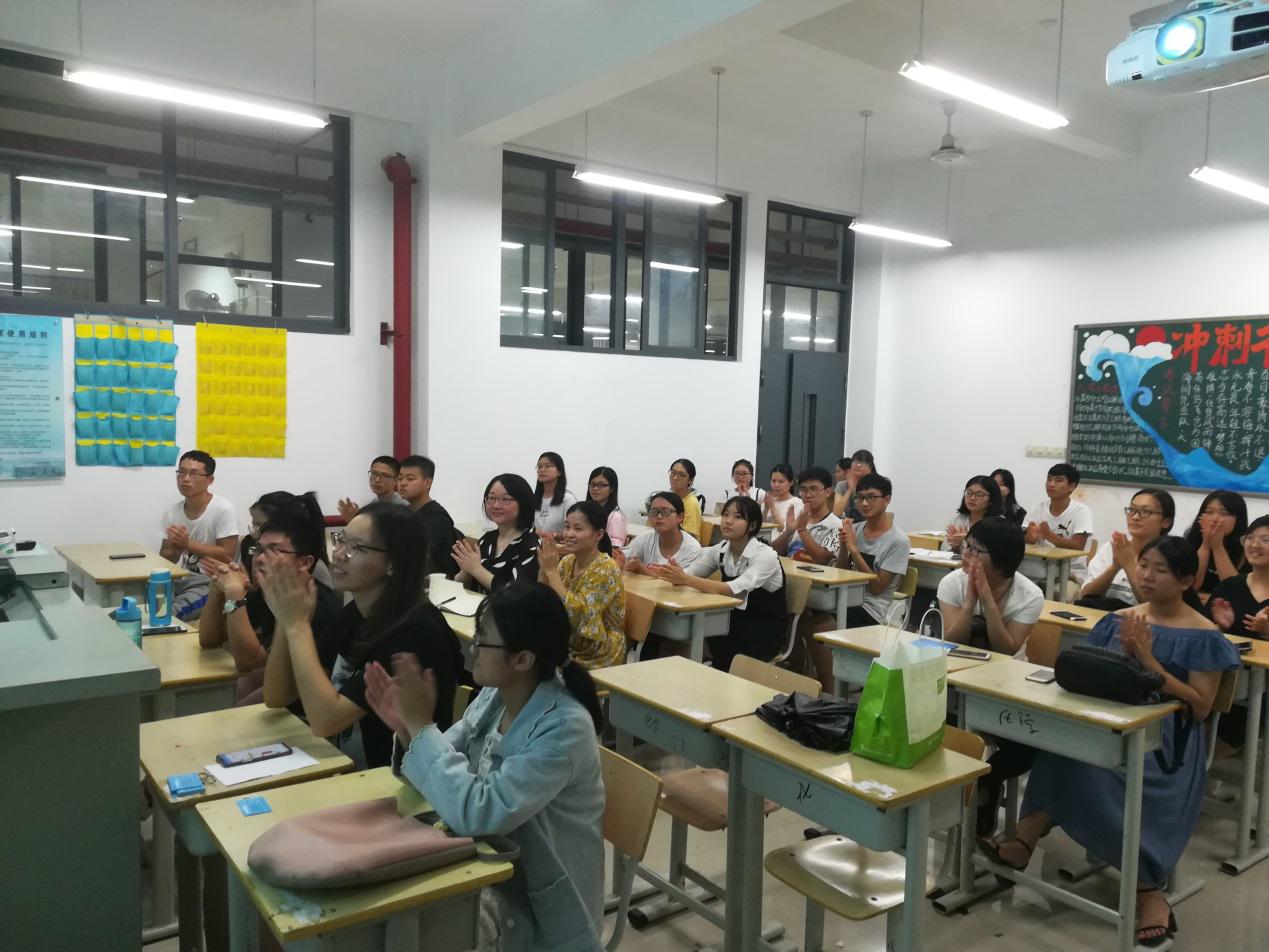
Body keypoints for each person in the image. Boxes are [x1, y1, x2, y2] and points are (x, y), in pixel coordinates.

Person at [980, 536, 1240, 947]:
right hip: (1109, 720)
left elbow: (1202, 707)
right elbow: (1094, 673)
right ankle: (1023, 842)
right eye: (1144, 565)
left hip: (1164, 742)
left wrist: (1148, 661)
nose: (1147, 576)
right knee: (1061, 749)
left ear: (1186, 580)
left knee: (1101, 766)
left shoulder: (1203, 635)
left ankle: (1148, 890)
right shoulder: (1120, 619)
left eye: (1160, 570)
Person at [362, 583, 605, 952]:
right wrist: (410, 731)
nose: (472, 648)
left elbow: (481, 812)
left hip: (539, 906)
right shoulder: (498, 694)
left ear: (522, 659)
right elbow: (448, 758)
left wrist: (422, 728)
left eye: (482, 640)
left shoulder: (564, 728)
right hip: (492, 870)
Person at [260, 503, 463, 769]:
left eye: (356, 547)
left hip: (403, 778)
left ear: (393, 563)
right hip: (352, 767)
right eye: (340, 540)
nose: (339, 554)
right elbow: (277, 696)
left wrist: (297, 625)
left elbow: (326, 720)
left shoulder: (415, 632)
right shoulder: (355, 613)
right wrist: (284, 618)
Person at [199, 508, 342, 705]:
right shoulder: (266, 591)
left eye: (274, 551)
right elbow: (210, 640)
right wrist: (217, 590)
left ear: (305, 562)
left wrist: (235, 596)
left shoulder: (317, 606)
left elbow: (248, 662)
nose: (259, 559)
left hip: (304, 709)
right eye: (258, 550)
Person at [799, 473, 909, 693]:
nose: (864, 503)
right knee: (797, 614)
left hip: (872, 611)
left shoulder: (898, 541)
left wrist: (854, 550)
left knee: (816, 626)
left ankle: (831, 691)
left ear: (886, 500)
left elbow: (877, 588)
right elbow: (841, 573)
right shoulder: (856, 529)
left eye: (871, 497)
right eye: (860, 498)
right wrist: (843, 548)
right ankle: (803, 679)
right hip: (846, 599)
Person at [651, 496, 786, 672]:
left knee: (694, 638)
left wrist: (686, 579)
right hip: (729, 622)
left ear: (752, 525)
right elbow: (691, 573)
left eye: (738, 517)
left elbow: (731, 589)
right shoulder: (722, 549)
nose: (728, 521)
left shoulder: (765, 555)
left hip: (762, 630)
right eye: (726, 515)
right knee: (669, 639)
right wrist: (676, 574)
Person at [537, 500, 625, 670]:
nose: (569, 534)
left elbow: (582, 618)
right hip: (569, 641)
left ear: (598, 535)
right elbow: (545, 600)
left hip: (598, 651)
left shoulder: (605, 569)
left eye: (578, 529)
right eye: (567, 527)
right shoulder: (568, 561)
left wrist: (551, 572)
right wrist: (543, 569)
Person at [938, 517, 1044, 657]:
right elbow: (952, 643)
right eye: (966, 544)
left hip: (1008, 667)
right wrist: (969, 604)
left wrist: (988, 602)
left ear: (1002, 558)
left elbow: (1006, 651)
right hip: (958, 663)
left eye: (975, 549)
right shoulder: (951, 582)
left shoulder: (1031, 596)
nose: (965, 553)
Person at [1208, 515, 1269, 750]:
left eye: (1265, 540)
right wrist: (1221, 626)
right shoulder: (1231, 586)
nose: (1254, 545)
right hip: (1226, 675)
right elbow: (1203, 633)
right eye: (1250, 538)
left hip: (1260, 685)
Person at [1081, 489, 1176, 609]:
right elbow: (1085, 596)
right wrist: (1114, 567)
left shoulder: (1170, 556)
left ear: (1166, 522)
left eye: (1145, 512)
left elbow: (1155, 607)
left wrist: (1128, 565)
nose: (1135, 517)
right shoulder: (1111, 549)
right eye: (1132, 510)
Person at [453, 474, 539, 593]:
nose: (496, 505)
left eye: (505, 499)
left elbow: (515, 595)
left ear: (524, 503)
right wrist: (466, 570)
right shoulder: (487, 539)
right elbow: (464, 586)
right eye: (491, 498)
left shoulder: (532, 546)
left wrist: (476, 569)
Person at [159, 450, 239, 575]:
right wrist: (172, 547)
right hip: (186, 578)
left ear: (209, 480)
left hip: (217, 580)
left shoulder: (223, 509)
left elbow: (228, 557)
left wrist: (187, 543)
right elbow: (168, 560)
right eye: (181, 472)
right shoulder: (172, 512)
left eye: (194, 474)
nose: (185, 479)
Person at [1024, 462, 1094, 592]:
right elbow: (1024, 541)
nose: (1051, 484)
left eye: (1058, 480)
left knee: (1058, 594)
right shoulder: (1037, 508)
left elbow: (1078, 546)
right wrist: (1030, 538)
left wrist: (1049, 535)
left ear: (1071, 486)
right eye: (1049, 479)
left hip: (1070, 574)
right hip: (1038, 571)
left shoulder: (1081, 511)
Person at [398, 454, 459, 577]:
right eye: (400, 478)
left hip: (434, 582)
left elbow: (419, 557)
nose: (402, 483)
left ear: (427, 483)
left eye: (410, 479)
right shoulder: (403, 512)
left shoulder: (437, 517)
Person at [1183, 490, 1248, 596]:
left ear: (1238, 519)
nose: (1215, 519)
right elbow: (1190, 586)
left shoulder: (1248, 548)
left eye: (1224, 513)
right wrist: (1205, 544)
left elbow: (1235, 592)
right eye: (1209, 512)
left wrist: (1218, 547)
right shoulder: (1189, 543)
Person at [773, 466, 840, 565]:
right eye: (803, 490)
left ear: (828, 492)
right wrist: (788, 532)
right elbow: (772, 553)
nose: (808, 495)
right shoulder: (798, 519)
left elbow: (823, 560)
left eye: (814, 489)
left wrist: (802, 530)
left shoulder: (837, 525)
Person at [623, 491, 702, 575]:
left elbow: (680, 580)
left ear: (680, 517)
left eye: (666, 511)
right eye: (654, 512)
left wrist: (642, 570)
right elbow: (625, 558)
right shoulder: (644, 539)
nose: (659, 516)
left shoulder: (692, 548)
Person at [944, 475, 1004, 554]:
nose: (972, 498)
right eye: (969, 493)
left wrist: (970, 543)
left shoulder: (1000, 525)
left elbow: (998, 555)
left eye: (979, 495)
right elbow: (944, 551)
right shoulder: (958, 520)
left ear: (991, 500)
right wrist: (956, 547)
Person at [337, 456, 405, 519]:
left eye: (384, 475)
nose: (377, 479)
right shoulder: (370, 505)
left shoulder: (402, 508)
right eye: (374, 473)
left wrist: (354, 519)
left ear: (396, 481)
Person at [532, 451, 576, 536]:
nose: (542, 470)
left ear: (559, 472)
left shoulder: (567, 499)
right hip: (535, 543)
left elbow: (573, 531)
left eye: (548, 466)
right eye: (539, 467)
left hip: (559, 544)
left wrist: (547, 535)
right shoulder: (533, 498)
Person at [587, 466, 627, 549]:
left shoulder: (616, 517)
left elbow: (614, 550)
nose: (595, 488)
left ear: (612, 488)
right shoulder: (586, 511)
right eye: (592, 484)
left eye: (601, 485)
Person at [666, 458, 704, 543]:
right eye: (673, 473)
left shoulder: (691, 503)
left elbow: (690, 538)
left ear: (690, 480)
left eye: (681, 475)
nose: (675, 478)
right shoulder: (666, 499)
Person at [832, 449, 875, 520]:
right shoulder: (842, 485)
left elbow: (869, 514)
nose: (858, 465)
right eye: (855, 461)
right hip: (849, 524)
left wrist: (854, 491)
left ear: (870, 467)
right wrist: (850, 489)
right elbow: (836, 513)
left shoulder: (875, 485)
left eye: (863, 462)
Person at [762, 463, 803, 531]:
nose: (776, 485)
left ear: (791, 483)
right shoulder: (769, 501)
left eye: (781, 481)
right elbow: (760, 527)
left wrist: (772, 508)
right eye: (773, 481)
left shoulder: (798, 503)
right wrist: (766, 508)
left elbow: (787, 530)